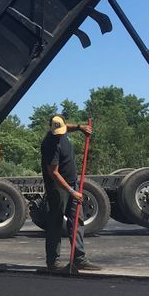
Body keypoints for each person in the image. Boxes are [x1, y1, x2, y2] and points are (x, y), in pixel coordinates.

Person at [41, 115, 101, 273]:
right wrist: (71, 191)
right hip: (58, 188)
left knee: (77, 221)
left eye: (62, 129)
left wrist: (81, 127)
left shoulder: (63, 129)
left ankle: (79, 258)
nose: (60, 133)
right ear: (51, 128)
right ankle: (53, 262)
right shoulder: (49, 144)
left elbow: (68, 126)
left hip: (73, 183)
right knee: (55, 222)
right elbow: (53, 173)